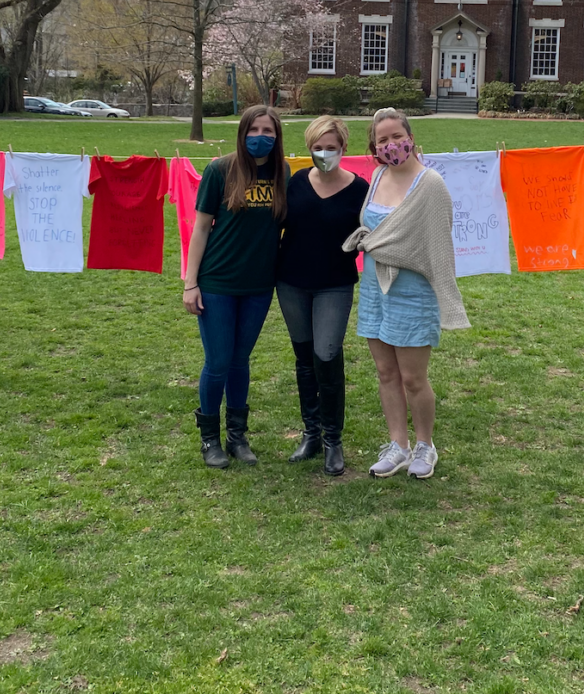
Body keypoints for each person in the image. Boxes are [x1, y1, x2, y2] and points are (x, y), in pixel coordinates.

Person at [343, 108, 470, 480]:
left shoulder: (430, 183)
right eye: (382, 140)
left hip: (414, 290)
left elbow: (438, 242)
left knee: (413, 378)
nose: (390, 144)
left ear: (410, 138)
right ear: (375, 148)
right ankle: (398, 445)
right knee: (385, 373)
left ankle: (425, 445)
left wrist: (395, 250)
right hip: (374, 287)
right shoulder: (378, 175)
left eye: (396, 136)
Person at [182, 105, 290, 468]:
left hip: (259, 285)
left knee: (240, 361)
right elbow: (200, 228)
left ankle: (237, 436)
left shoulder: (281, 172)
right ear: (243, 132)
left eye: (269, 131)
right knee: (218, 362)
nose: (262, 136)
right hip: (217, 282)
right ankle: (209, 439)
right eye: (255, 129)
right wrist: (190, 283)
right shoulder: (220, 170)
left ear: (277, 137)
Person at [277, 116, 370, 476]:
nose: (324, 153)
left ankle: (334, 439)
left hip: (334, 284)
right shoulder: (297, 182)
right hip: (291, 282)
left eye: (331, 147)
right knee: (304, 358)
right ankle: (311, 433)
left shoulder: (359, 189)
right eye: (318, 147)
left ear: (344, 149)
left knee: (326, 355)